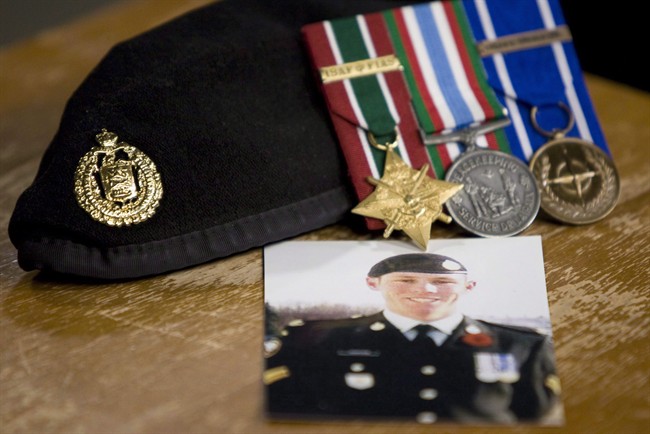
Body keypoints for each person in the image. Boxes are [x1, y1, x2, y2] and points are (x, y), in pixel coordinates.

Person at [264, 253, 560, 424]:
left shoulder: (522, 345)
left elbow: (533, 414)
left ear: (469, 286)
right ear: (373, 283)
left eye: (442, 282)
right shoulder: (319, 339)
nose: (427, 291)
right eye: (405, 280)